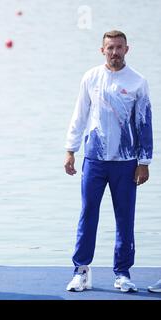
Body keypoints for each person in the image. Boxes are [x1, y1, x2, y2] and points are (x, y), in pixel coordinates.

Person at [64, 30, 153, 293]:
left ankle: (122, 273)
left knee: (125, 218)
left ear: (127, 49)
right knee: (87, 214)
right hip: (94, 159)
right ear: (102, 50)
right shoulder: (91, 77)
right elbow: (79, 114)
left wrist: (144, 160)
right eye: (110, 48)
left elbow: (144, 122)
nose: (114, 52)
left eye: (119, 47)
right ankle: (81, 270)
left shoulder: (138, 82)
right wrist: (70, 149)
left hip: (126, 161)